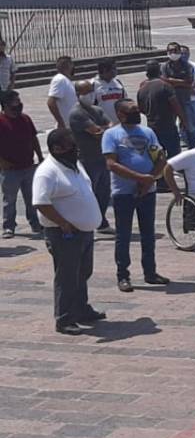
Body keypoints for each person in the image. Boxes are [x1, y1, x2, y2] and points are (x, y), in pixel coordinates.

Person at [32, 129, 106, 335]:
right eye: (71, 145)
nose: (76, 148)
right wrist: (63, 223)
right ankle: (64, 318)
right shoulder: (47, 172)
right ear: (57, 149)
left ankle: (81, 309)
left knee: (83, 272)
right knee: (67, 276)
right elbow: (40, 202)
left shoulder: (74, 165)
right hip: (64, 234)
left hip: (84, 232)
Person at [103, 99, 169, 292]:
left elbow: (160, 158)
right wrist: (140, 178)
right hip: (123, 192)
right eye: (132, 111)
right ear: (121, 115)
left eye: (137, 110)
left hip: (147, 191)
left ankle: (150, 272)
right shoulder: (111, 134)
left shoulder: (148, 132)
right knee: (123, 235)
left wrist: (150, 179)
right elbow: (111, 164)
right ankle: (123, 275)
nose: (136, 113)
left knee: (148, 233)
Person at [0, 90, 45, 239]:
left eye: (19, 101)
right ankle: (9, 226)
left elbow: (33, 138)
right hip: (10, 169)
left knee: (32, 197)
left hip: (28, 166)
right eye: (15, 101)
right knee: (9, 200)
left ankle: (35, 224)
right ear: (6, 104)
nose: (19, 104)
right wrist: (2, 162)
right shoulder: (1, 121)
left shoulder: (25, 119)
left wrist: (40, 156)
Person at [68, 92, 113, 232]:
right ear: (78, 94)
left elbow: (109, 127)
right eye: (85, 92)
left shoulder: (97, 110)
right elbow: (97, 132)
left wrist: (102, 130)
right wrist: (104, 129)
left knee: (104, 192)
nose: (89, 95)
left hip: (102, 157)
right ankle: (85, 224)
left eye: (90, 91)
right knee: (88, 193)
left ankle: (101, 222)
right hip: (86, 159)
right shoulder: (77, 113)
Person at [137, 61, 188, 161]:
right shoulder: (165, 86)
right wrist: (183, 120)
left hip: (152, 127)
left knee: (157, 156)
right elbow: (176, 106)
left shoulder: (142, 88)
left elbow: (141, 109)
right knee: (175, 155)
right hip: (168, 125)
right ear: (159, 71)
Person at [163, 42, 195, 148]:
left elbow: (189, 82)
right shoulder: (165, 66)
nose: (173, 53)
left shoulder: (187, 66)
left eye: (175, 50)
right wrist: (181, 82)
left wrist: (172, 81)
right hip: (170, 101)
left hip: (184, 100)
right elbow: (164, 81)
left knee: (189, 126)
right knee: (170, 125)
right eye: (170, 51)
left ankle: (193, 147)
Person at [47, 55, 91, 130]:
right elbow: (51, 102)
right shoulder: (60, 79)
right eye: (72, 64)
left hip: (74, 125)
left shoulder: (67, 81)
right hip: (67, 126)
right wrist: (61, 123)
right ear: (67, 65)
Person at [88, 58, 127, 126]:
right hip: (102, 125)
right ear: (105, 70)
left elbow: (125, 101)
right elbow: (87, 107)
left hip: (119, 125)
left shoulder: (118, 83)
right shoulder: (92, 84)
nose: (116, 71)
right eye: (114, 68)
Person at [181, 45, 195, 148]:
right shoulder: (176, 67)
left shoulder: (194, 65)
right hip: (182, 99)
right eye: (182, 53)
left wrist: (193, 86)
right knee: (184, 121)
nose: (184, 55)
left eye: (186, 53)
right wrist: (187, 88)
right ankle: (185, 138)